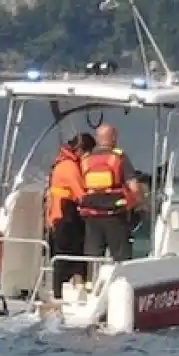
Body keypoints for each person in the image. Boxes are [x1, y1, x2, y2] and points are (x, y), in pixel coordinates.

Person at [78, 124, 143, 262]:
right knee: (121, 257)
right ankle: (122, 280)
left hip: (91, 215)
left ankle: (92, 281)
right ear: (113, 138)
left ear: (97, 138)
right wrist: (140, 203)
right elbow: (134, 187)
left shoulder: (85, 160)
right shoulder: (119, 157)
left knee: (93, 257)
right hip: (115, 214)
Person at [44, 132, 96, 299]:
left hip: (61, 214)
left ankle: (74, 289)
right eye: (88, 153)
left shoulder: (62, 163)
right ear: (81, 150)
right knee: (65, 256)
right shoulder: (69, 167)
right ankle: (59, 295)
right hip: (64, 215)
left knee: (72, 255)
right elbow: (81, 194)